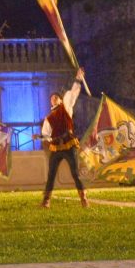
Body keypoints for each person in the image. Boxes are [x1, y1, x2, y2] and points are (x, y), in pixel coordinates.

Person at [36, 69, 88, 208]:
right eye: (51, 98)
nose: (53, 98)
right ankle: (46, 201)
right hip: (56, 147)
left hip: (69, 145)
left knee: (75, 173)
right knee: (51, 174)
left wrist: (78, 78)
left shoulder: (66, 107)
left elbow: (73, 93)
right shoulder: (49, 118)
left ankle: (83, 198)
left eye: (55, 97)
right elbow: (46, 134)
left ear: (60, 99)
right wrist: (40, 137)